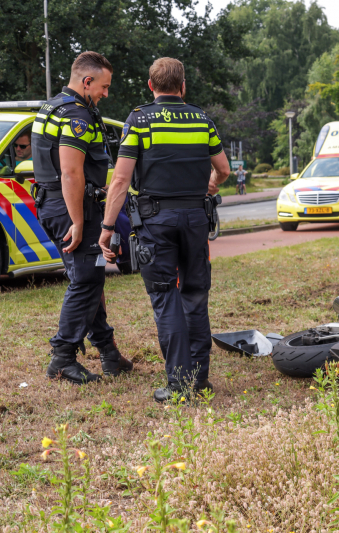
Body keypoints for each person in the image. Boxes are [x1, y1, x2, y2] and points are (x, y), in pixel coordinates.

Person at [99, 57, 230, 402]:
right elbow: (224, 169)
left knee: (164, 296)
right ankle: (200, 380)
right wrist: (212, 183)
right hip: (196, 220)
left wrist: (107, 227)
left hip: (156, 223)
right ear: (183, 86)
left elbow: (122, 180)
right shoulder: (202, 119)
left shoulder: (139, 120)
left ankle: (179, 385)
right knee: (195, 295)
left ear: (151, 86)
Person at [30, 51, 132, 384]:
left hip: (54, 205)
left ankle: (109, 353)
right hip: (73, 208)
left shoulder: (51, 106)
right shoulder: (76, 115)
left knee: (92, 277)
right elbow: (71, 173)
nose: (105, 93)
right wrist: (77, 221)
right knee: (87, 279)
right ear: (87, 81)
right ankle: (62, 357)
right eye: (103, 87)